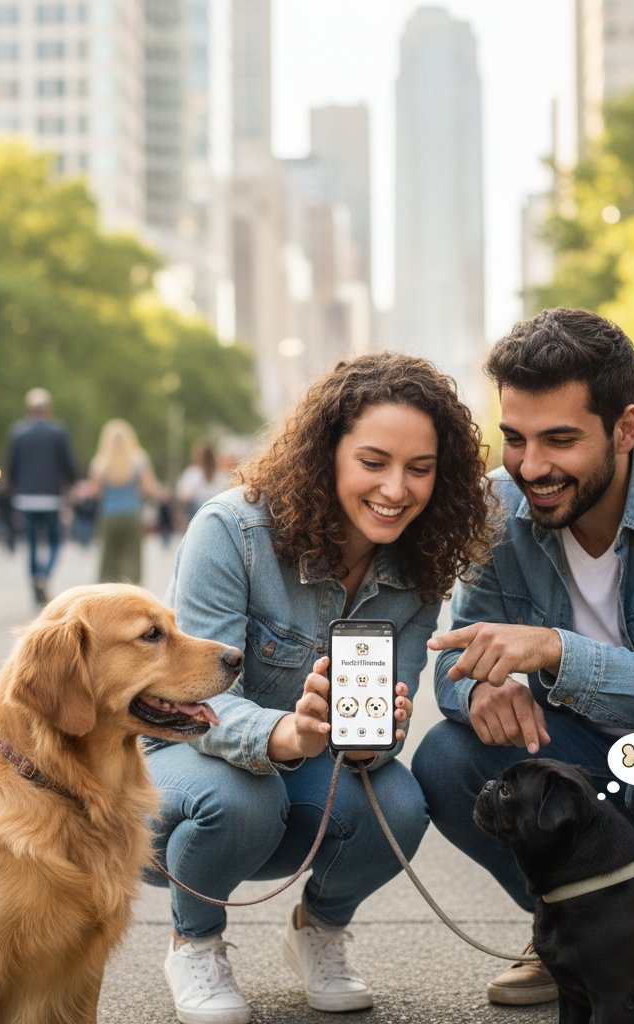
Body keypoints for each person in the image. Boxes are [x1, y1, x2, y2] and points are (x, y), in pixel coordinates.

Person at [411, 307, 634, 1007]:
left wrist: (553, 650)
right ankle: (570, 929)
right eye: (514, 439)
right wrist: (480, 690)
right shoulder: (496, 507)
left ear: (624, 428)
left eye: (560, 439)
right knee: (447, 758)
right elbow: (455, 659)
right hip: (578, 754)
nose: (531, 466)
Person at [145, 352, 495, 1023]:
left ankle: (320, 930)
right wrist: (285, 733)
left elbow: (382, 730)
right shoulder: (232, 530)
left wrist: (371, 744)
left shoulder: (420, 564)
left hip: (305, 775)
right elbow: (196, 701)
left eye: (420, 469)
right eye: (374, 461)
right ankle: (195, 941)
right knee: (241, 796)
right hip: (178, 761)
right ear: (326, 453)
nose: (396, 488)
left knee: (400, 805)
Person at [3, 387, 78, 605]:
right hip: (51, 497)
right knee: (55, 540)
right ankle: (44, 574)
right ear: (48, 408)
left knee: (32, 544)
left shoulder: (18, 433)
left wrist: (13, 492)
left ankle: (35, 582)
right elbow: (68, 464)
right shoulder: (58, 432)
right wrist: (72, 484)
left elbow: (11, 467)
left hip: (26, 498)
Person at [88, 419, 159, 585]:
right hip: (132, 514)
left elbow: (95, 492)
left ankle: (108, 593)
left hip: (109, 515)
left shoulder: (100, 462)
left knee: (109, 559)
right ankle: (131, 590)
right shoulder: (139, 460)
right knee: (132, 559)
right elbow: (148, 489)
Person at [176, 442, 228, 525]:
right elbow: (184, 497)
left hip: (214, 510)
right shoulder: (193, 473)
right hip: (198, 511)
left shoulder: (220, 474)